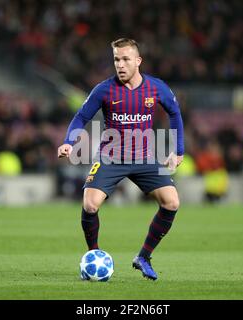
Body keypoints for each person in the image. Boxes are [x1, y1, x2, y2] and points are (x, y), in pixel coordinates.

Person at [57, 38, 184, 280]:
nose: (120, 64)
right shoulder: (104, 90)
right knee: (90, 204)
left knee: (172, 202)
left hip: (145, 156)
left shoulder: (156, 88)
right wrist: (68, 142)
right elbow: (81, 116)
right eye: (116, 59)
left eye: (125, 59)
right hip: (110, 156)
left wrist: (178, 151)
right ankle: (93, 255)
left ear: (138, 61)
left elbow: (175, 113)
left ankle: (144, 256)